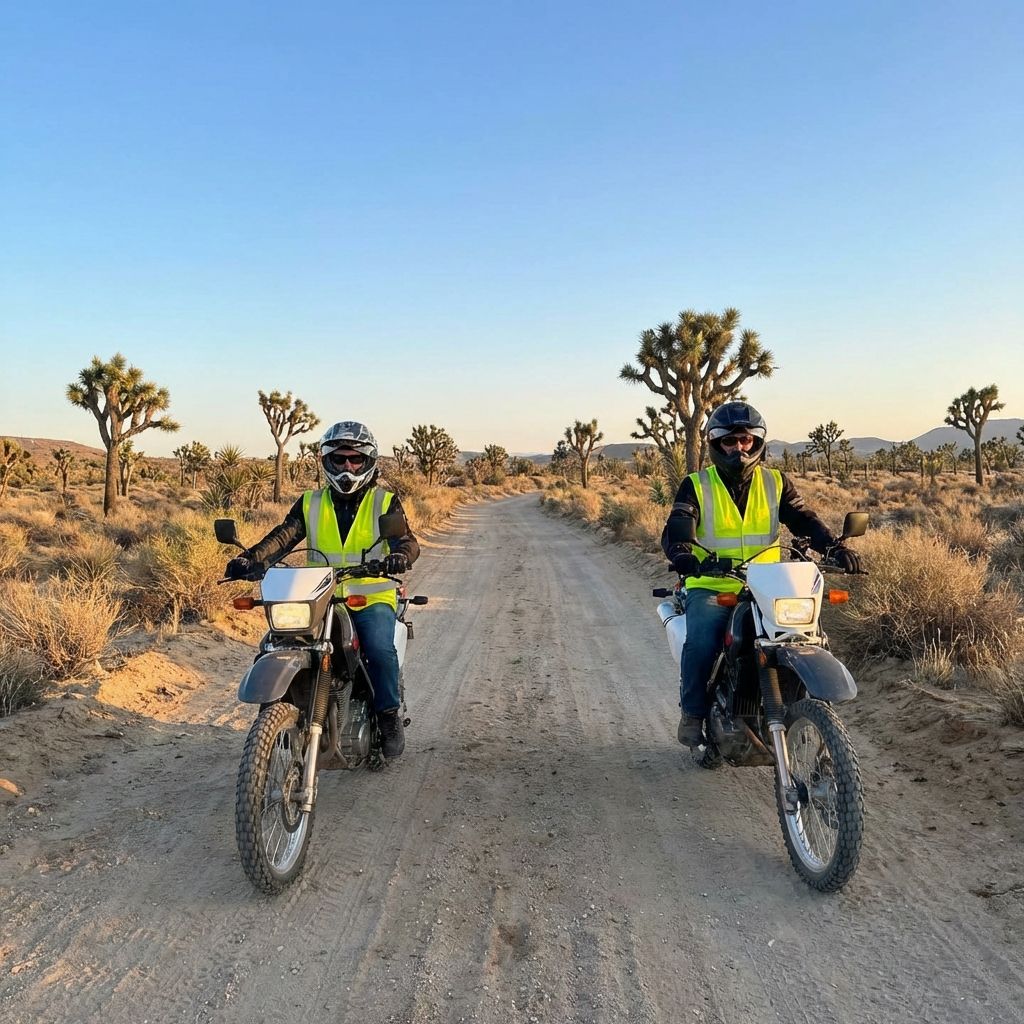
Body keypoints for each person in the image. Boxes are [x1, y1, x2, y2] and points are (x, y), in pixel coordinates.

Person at [661, 402, 863, 748]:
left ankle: (801, 710)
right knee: (703, 641)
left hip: (767, 585)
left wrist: (833, 546)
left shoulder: (775, 482)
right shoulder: (696, 484)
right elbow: (676, 529)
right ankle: (693, 713)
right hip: (712, 583)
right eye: (729, 441)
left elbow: (803, 519)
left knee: (808, 636)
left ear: (757, 442)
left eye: (745, 440)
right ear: (715, 444)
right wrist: (682, 554)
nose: (738, 447)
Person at [224, 421, 419, 759]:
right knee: (275, 642)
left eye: (355, 459)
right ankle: (275, 724)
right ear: (326, 461)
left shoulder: (384, 501)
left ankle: (388, 715)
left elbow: (406, 541)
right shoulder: (311, 502)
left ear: (369, 461)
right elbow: (284, 536)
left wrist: (399, 556)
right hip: (318, 595)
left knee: (378, 649)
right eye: (339, 459)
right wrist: (250, 558)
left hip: (369, 595)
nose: (347, 466)